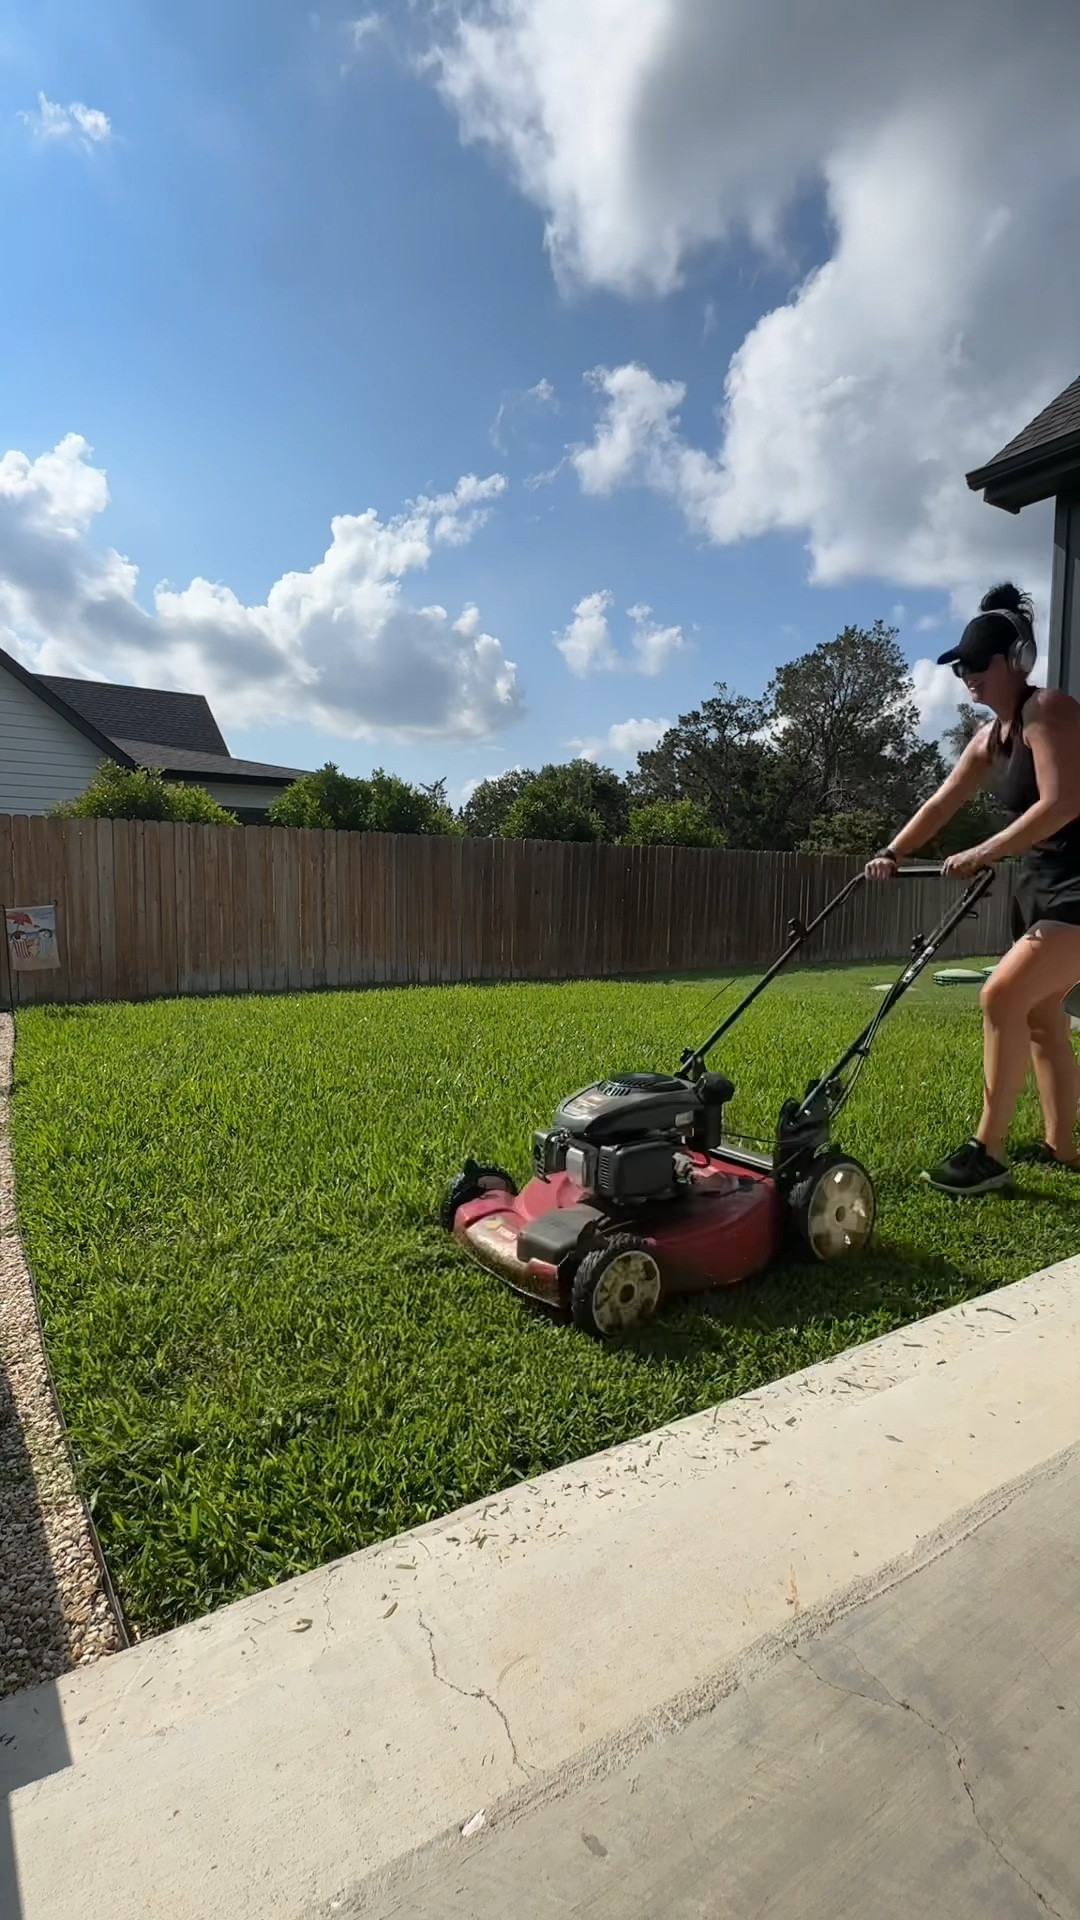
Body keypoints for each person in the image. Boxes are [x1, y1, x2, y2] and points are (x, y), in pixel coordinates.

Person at [865, 582, 1080, 1194]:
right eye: (961, 669)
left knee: (1001, 998)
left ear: (1016, 661)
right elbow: (942, 801)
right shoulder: (991, 740)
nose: (967, 678)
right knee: (1040, 1017)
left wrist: (984, 851)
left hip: (1079, 891)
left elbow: (1065, 803)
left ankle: (987, 1151)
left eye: (977, 666)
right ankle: (1062, 1148)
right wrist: (892, 851)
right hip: (1045, 886)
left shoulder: (1051, 712)